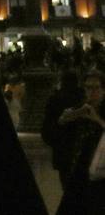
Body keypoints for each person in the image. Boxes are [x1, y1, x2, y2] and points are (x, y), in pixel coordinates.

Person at [55, 70, 105, 214]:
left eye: (96, 87)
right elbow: (61, 124)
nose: (91, 92)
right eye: (88, 87)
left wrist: (97, 119)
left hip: (99, 171)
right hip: (78, 169)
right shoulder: (81, 107)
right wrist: (74, 115)